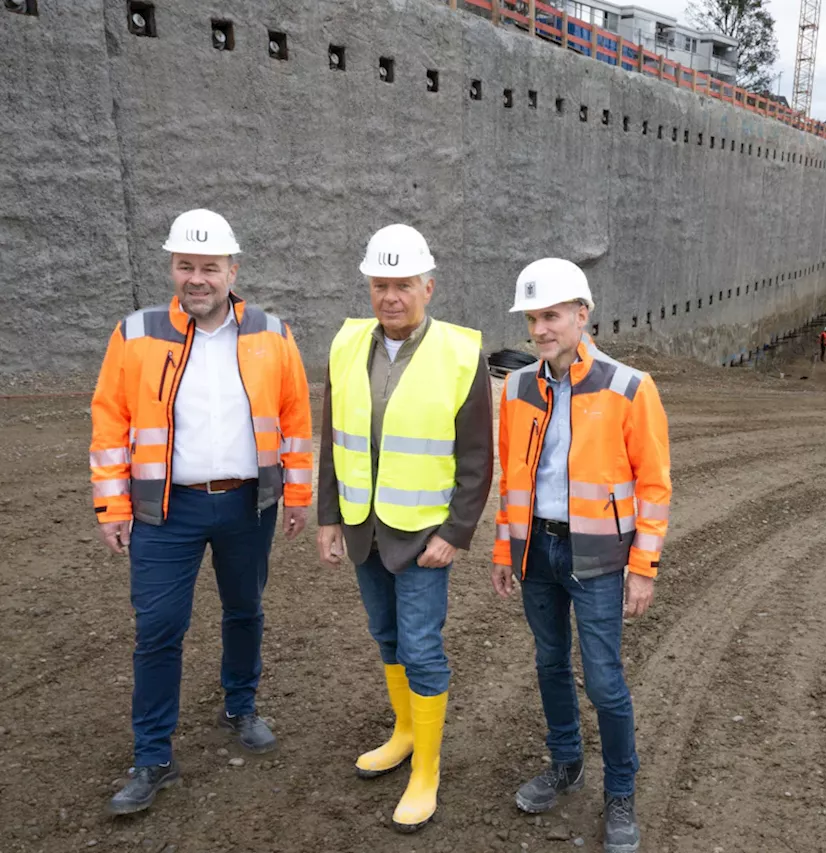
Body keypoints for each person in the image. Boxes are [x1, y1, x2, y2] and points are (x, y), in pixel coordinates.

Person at [91, 209, 313, 815]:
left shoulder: (271, 331)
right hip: (165, 510)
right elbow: (110, 421)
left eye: (209, 267)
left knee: (245, 610)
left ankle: (240, 705)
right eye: (186, 266)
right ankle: (152, 754)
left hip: (248, 504)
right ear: (172, 267)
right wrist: (112, 504)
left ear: (231, 270)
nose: (197, 278)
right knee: (158, 627)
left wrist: (296, 495)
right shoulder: (135, 333)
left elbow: (294, 418)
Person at [316, 224, 493, 832]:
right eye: (380, 284)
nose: (390, 296)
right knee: (386, 635)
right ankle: (403, 733)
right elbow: (331, 441)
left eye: (403, 285)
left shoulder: (460, 353)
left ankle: (427, 769)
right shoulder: (346, 347)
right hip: (364, 524)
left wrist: (457, 531)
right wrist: (329, 516)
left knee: (421, 646)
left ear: (429, 287)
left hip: (423, 535)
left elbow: (476, 458)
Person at [491, 258, 671, 853]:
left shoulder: (629, 387)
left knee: (604, 679)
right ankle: (565, 763)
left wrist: (642, 568)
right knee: (548, 663)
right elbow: (511, 478)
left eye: (551, 315)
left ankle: (620, 793)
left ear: (581, 315)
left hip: (598, 556)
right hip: (537, 550)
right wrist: (504, 550)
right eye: (533, 318)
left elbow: (654, 486)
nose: (541, 329)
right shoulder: (517, 387)